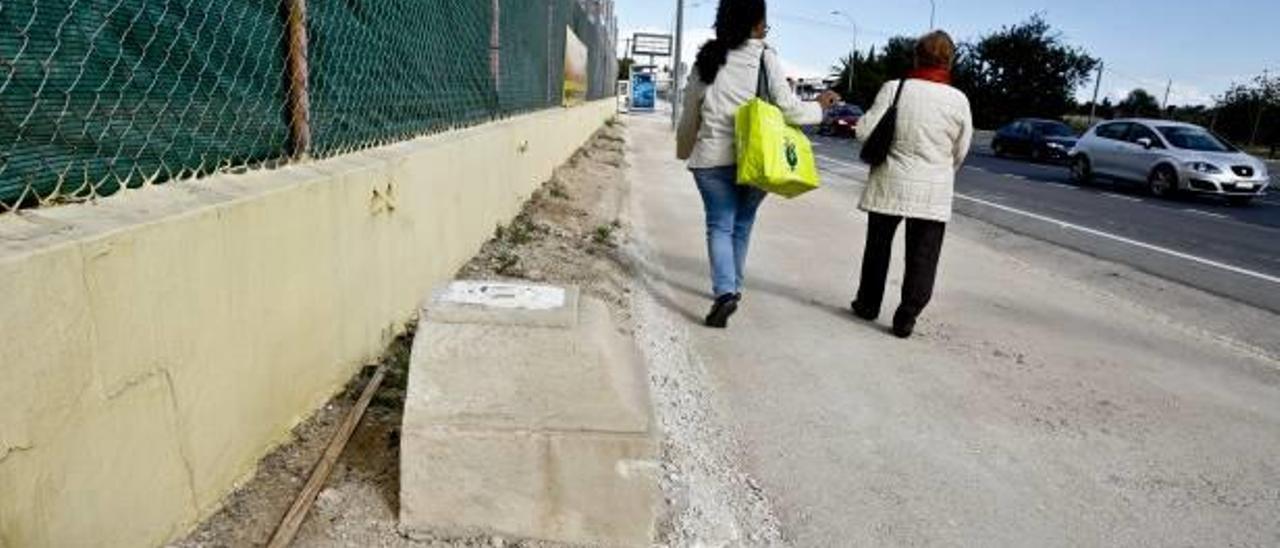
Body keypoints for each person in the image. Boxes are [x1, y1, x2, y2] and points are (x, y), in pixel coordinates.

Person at [676, 0, 839, 328]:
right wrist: (820, 106)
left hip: (710, 159)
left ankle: (725, 294)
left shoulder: (706, 59)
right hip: (757, 158)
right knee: (742, 224)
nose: (766, 29)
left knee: (719, 225)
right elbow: (788, 108)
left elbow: (690, 113)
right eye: (765, 23)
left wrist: (684, 150)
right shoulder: (765, 57)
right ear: (753, 24)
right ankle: (732, 289)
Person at [850, 30, 973, 338]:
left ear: (917, 56)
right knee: (923, 256)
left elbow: (864, 132)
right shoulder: (959, 100)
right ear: (949, 61)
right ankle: (907, 315)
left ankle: (867, 304)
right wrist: (941, 169)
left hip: (890, 181)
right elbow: (961, 150)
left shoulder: (895, 89)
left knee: (878, 247)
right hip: (933, 189)